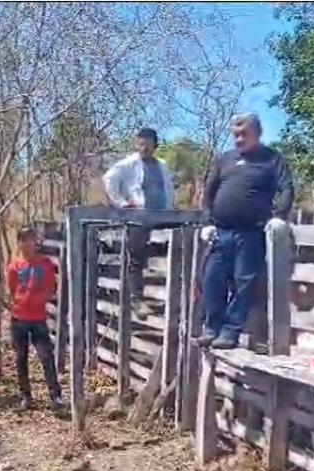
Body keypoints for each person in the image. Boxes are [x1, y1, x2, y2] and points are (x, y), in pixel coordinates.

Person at [197, 113, 294, 349]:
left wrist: (279, 217)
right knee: (211, 279)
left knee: (244, 282)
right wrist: (207, 222)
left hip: (251, 233)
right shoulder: (225, 160)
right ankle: (212, 327)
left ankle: (230, 331)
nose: (239, 139)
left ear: (257, 133)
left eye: (244, 134)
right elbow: (209, 193)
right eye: (235, 135)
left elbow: (286, 188)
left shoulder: (272, 159)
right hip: (221, 232)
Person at [102, 127, 176, 317]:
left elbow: (168, 188)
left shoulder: (161, 165)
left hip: (163, 216)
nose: (144, 148)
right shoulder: (129, 164)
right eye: (141, 144)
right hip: (139, 217)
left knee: (175, 247)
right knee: (135, 258)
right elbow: (109, 179)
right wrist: (121, 202)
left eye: (148, 145)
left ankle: (173, 295)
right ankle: (137, 298)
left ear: (155, 146)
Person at [6, 227, 63, 410]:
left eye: (30, 239)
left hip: (38, 318)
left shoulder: (45, 264)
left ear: (35, 242)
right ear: (19, 243)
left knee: (46, 356)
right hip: (19, 317)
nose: (26, 244)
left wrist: (39, 299)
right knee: (20, 358)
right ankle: (26, 396)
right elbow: (12, 288)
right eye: (23, 240)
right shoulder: (14, 266)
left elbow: (51, 288)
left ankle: (55, 396)